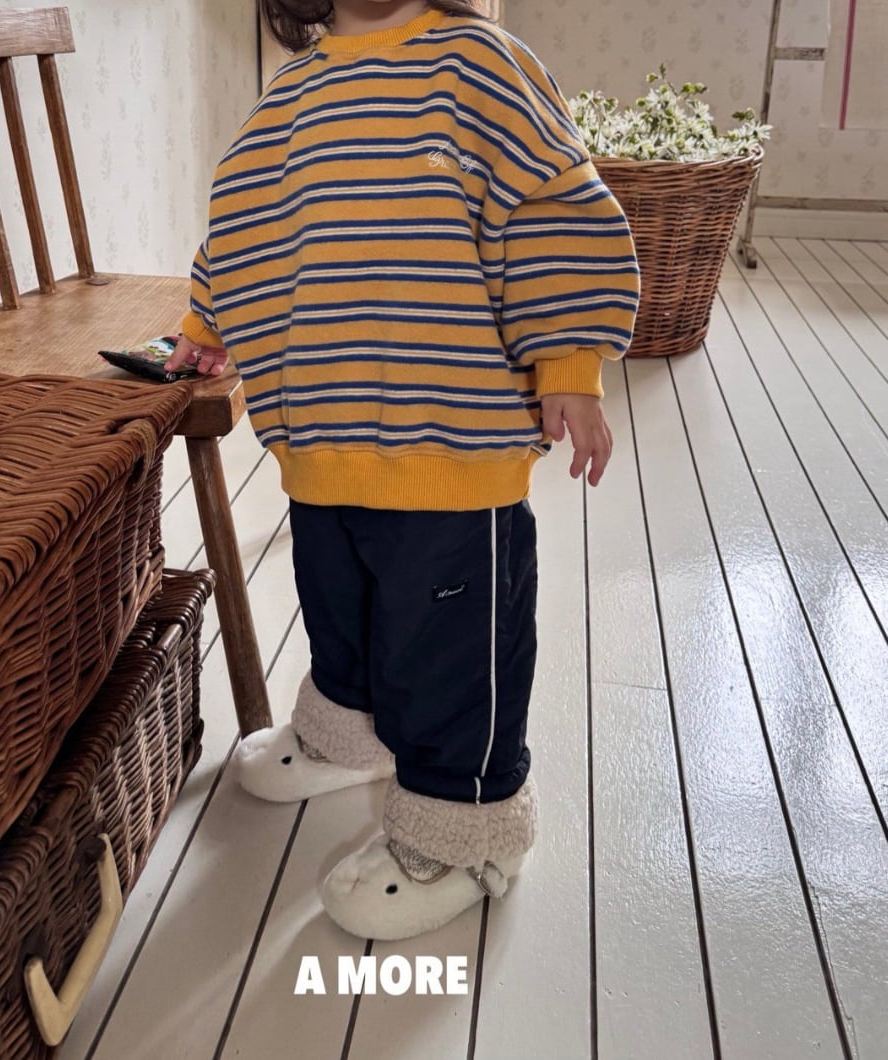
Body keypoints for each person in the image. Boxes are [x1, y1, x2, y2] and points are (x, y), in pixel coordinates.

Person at [165, 0, 639, 940]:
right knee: (339, 606)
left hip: (453, 442)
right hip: (324, 438)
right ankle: (349, 730)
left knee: (449, 648)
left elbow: (553, 210)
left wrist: (569, 361)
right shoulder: (292, 93)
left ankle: (467, 824)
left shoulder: (480, 65)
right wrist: (205, 324)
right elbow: (244, 224)